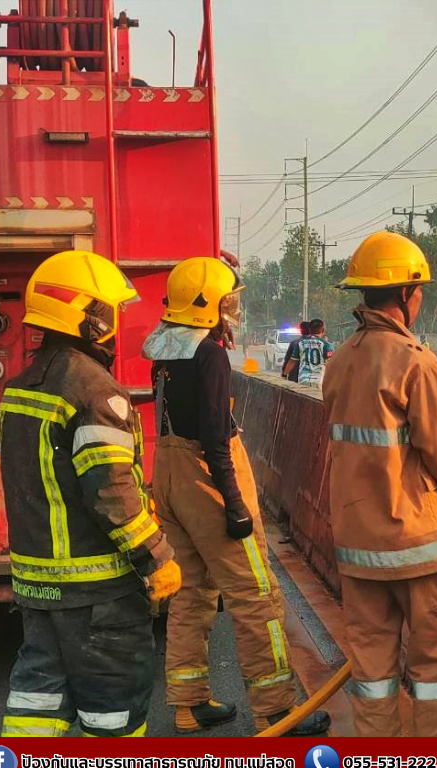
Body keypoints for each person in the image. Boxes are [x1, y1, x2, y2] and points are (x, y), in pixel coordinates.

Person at [322, 230, 437, 737]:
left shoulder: (340, 362)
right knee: (436, 674)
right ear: (406, 293)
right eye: (420, 289)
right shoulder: (414, 361)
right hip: (419, 548)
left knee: (373, 676)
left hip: (358, 547)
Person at [142, 256, 331, 737]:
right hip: (207, 479)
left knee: (190, 592)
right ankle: (277, 710)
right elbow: (213, 434)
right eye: (228, 300)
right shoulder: (209, 355)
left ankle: (188, 703)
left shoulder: (166, 350)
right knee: (255, 595)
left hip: (169, 475)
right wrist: (234, 503)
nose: (234, 308)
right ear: (208, 304)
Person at [0, 250, 181, 738]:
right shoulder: (95, 392)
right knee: (112, 714)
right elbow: (112, 493)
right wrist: (156, 556)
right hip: (99, 594)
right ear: (91, 316)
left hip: (37, 589)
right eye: (112, 310)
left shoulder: (22, 388)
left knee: (37, 703)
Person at [283, 318, 335, 388]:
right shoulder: (326, 345)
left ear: (309, 330)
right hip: (319, 380)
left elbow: (292, 361)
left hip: (303, 379)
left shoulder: (301, 343)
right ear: (323, 330)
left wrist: (284, 375)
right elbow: (331, 363)